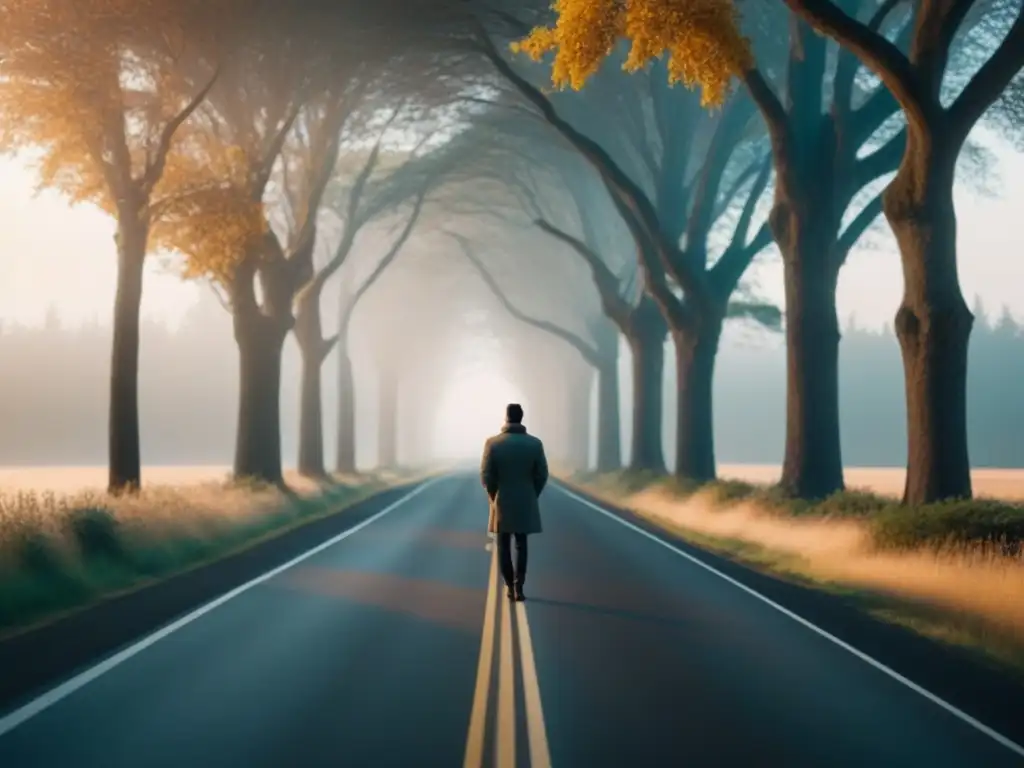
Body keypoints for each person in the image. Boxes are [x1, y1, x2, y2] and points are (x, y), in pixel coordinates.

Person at [480, 403, 549, 601]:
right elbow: (542, 474)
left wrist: (494, 496)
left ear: (506, 417)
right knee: (522, 544)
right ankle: (520, 585)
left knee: (503, 544)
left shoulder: (493, 443)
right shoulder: (535, 444)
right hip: (525, 499)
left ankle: (509, 585)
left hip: (502, 500)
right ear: (522, 417)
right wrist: (531, 493)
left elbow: (486, 475)